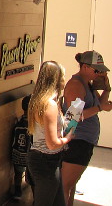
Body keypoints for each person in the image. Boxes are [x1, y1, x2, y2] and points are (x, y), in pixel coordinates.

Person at [61, 51, 112, 206]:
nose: (99, 74)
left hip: (84, 141)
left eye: (101, 71)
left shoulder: (88, 84)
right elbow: (74, 116)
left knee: (71, 185)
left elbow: (101, 104)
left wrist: (106, 89)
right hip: (77, 141)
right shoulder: (76, 85)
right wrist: (100, 108)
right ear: (84, 67)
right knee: (65, 185)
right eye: (96, 70)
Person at [27, 61, 73, 206]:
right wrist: (68, 138)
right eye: (63, 77)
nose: (65, 80)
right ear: (57, 79)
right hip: (45, 160)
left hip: (46, 159)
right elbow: (52, 144)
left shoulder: (39, 100)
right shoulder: (49, 104)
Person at [10, 95, 32, 201]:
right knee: (32, 176)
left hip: (17, 152)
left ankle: (17, 192)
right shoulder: (35, 123)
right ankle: (35, 196)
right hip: (30, 154)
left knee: (18, 174)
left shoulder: (19, 120)